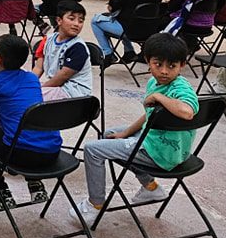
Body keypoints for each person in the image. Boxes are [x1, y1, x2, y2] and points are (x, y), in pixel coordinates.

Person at [71, 33, 199, 220]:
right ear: (148, 61)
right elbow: (150, 117)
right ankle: (151, 187)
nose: (164, 71)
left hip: (160, 153)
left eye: (172, 66)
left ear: (182, 66)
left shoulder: (181, 88)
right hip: (164, 143)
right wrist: (126, 133)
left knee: (92, 149)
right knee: (110, 134)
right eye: (158, 64)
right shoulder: (154, 82)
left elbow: (187, 112)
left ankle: (94, 204)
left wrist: (157, 97)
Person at [0, 35, 60, 212]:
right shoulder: (32, 80)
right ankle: (35, 185)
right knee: (21, 131)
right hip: (52, 152)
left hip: (23, 155)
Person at [91, 0, 163, 67]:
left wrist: (112, 7)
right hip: (150, 30)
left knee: (96, 21)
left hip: (129, 31)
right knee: (125, 19)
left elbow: (112, 7)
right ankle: (129, 51)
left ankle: (108, 53)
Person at [33, 1, 93, 100]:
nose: (76, 24)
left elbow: (62, 77)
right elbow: (38, 68)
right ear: (59, 20)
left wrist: (39, 89)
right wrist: (28, 85)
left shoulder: (78, 47)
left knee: (29, 98)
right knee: (20, 92)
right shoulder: (48, 40)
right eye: (71, 19)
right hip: (57, 88)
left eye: (81, 21)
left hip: (74, 93)